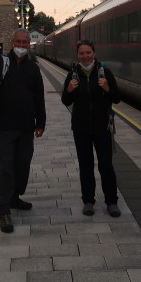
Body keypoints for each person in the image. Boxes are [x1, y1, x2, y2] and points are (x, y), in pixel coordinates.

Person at [0, 29, 46, 233]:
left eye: (25, 42)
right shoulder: (0, 64)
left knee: (23, 164)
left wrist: (40, 122)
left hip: (26, 127)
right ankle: (4, 208)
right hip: (5, 126)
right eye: (18, 41)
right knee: (6, 166)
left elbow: (39, 98)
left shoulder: (33, 68)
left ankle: (15, 197)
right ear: (11, 41)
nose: (22, 45)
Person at [61, 40, 121, 217]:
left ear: (94, 53)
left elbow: (117, 98)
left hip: (102, 128)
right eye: (82, 53)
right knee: (85, 165)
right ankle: (88, 201)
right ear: (77, 55)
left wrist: (107, 87)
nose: (85, 56)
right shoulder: (73, 74)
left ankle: (111, 201)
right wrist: (70, 90)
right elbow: (65, 101)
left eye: (88, 52)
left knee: (106, 165)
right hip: (80, 129)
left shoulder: (104, 73)